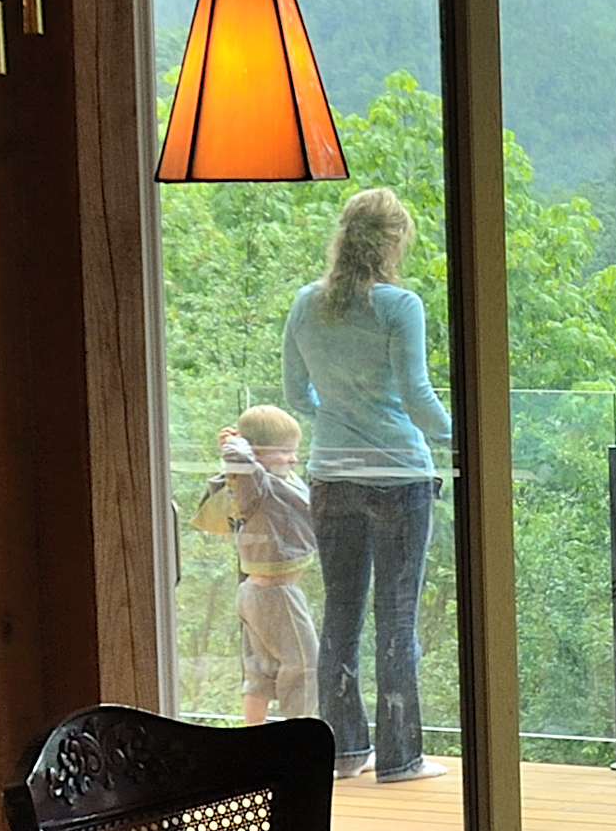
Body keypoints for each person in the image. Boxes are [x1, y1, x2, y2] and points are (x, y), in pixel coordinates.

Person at [282, 187, 454, 783]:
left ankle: (344, 752)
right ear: (393, 242)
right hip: (397, 476)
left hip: (331, 474)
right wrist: (464, 435)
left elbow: (295, 394)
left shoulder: (305, 304)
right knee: (396, 618)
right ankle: (401, 758)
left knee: (340, 615)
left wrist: (339, 416)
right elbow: (416, 396)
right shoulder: (399, 306)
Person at [186, 406, 320, 728]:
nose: (293, 459)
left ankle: (252, 735)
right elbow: (240, 461)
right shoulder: (255, 485)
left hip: (255, 592)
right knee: (305, 665)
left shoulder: (277, 480)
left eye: (295, 451)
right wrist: (236, 443)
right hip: (277, 593)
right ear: (256, 453)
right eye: (284, 451)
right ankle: (299, 740)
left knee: (259, 670)